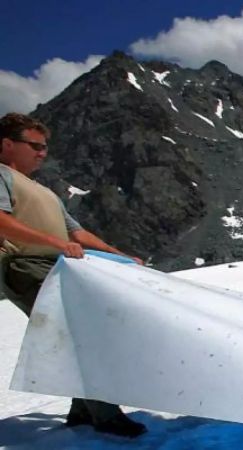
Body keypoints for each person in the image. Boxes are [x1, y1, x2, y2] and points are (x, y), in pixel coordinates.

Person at [0, 112, 147, 438]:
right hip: (23, 266)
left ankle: (83, 411)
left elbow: (76, 233)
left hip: (54, 267)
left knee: (78, 332)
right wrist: (56, 243)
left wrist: (120, 256)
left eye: (45, 147)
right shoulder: (1, 176)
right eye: (34, 145)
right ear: (7, 144)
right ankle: (104, 415)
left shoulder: (43, 191)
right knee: (80, 332)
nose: (42, 153)